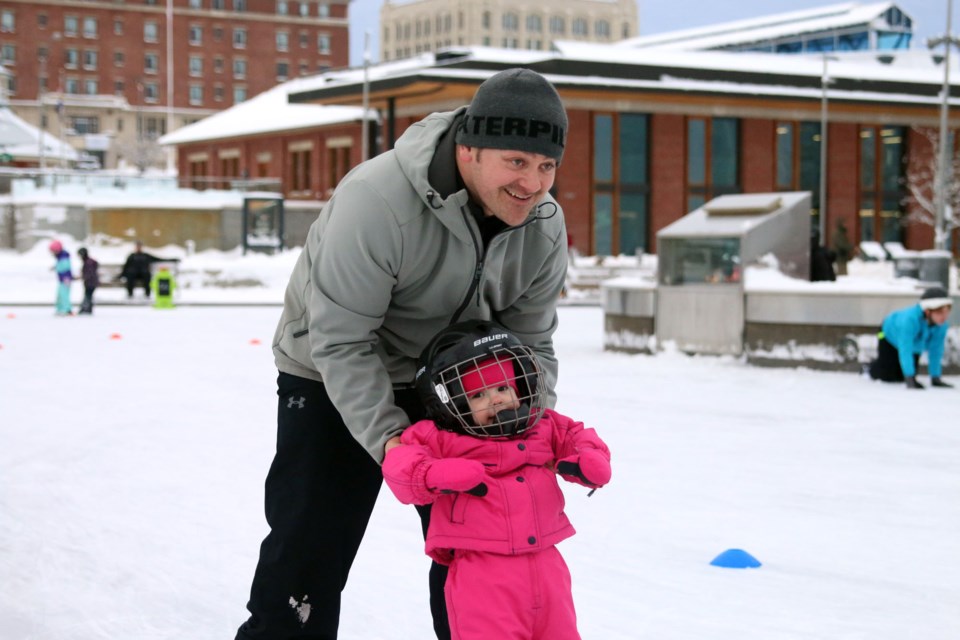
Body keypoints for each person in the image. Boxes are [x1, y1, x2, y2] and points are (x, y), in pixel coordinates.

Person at [235, 67, 570, 640]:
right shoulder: (377, 201)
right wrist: (395, 446)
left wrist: (525, 429)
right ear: (469, 148)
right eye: (516, 162)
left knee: (484, 548)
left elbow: (531, 344)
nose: (533, 183)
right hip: (328, 370)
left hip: (457, 385)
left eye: (546, 166)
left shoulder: (543, 225)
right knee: (311, 545)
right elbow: (339, 339)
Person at [382, 321, 611, 640]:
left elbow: (577, 434)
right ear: (454, 404)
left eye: (503, 388)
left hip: (548, 571)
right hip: (483, 577)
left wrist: (591, 458)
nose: (497, 400)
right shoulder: (443, 438)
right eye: (478, 394)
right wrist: (434, 474)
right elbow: (400, 464)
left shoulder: (541, 426)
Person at [868, 286, 954, 389]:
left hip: (915, 345)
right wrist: (909, 378)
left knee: (902, 376)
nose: (944, 317)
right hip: (887, 335)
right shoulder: (909, 321)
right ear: (927, 311)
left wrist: (935, 377)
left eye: (947, 312)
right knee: (888, 377)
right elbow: (905, 349)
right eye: (939, 312)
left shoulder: (941, 325)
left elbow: (936, 350)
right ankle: (868, 368)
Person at [49, 240, 73, 316]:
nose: (52, 253)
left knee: (64, 294)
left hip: (66, 279)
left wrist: (57, 268)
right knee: (59, 294)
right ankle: (60, 308)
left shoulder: (64, 256)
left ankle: (67, 309)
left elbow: (65, 266)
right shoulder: (60, 256)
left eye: (53, 251)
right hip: (62, 279)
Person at [76, 247, 100, 315]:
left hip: (90, 282)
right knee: (88, 295)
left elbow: (89, 273)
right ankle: (87, 308)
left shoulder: (88, 262)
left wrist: (83, 277)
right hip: (90, 282)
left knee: (88, 295)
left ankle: (86, 308)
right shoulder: (88, 261)